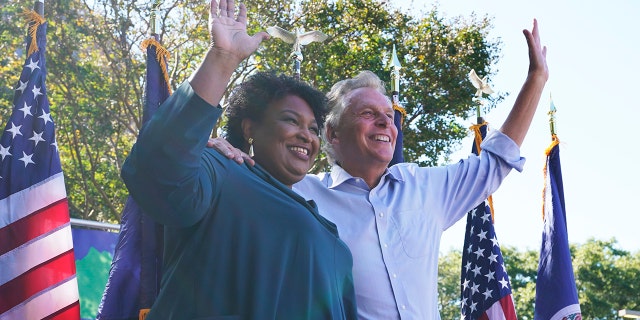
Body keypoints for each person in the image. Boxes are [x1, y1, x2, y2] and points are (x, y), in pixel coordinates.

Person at [211, 19, 548, 320]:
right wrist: (219, 147)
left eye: (388, 115)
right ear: (332, 133)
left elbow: (496, 159)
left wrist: (536, 79)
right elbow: (235, 185)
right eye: (368, 113)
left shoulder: (427, 187)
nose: (386, 121)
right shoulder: (298, 193)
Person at [120, 0, 357, 319]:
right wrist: (222, 59)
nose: (306, 135)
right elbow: (157, 171)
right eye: (291, 120)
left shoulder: (330, 235)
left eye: (313, 128)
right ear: (249, 129)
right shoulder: (220, 170)